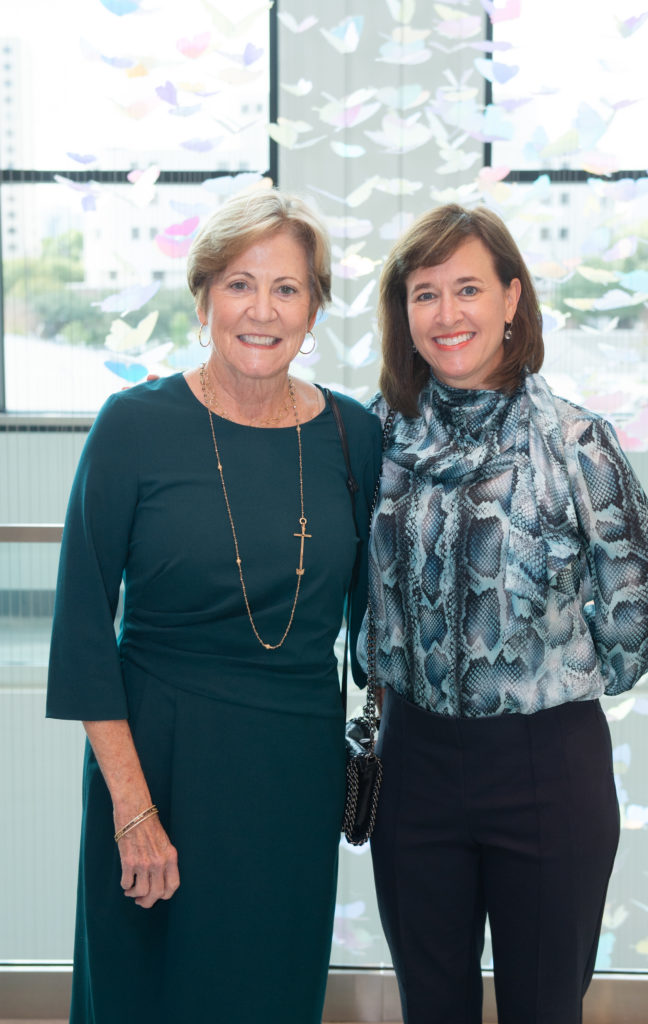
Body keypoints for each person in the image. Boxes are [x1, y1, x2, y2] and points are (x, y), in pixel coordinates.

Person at [46, 188, 382, 1024]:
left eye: (286, 288)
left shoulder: (354, 437)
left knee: (271, 996)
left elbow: (383, 620)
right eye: (239, 284)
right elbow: (83, 627)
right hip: (156, 773)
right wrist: (132, 809)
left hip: (293, 782)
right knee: (143, 997)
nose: (262, 310)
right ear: (203, 300)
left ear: (314, 311)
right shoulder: (133, 427)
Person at [361, 202, 648, 1024]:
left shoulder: (577, 442)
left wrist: (554, 669)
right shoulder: (374, 437)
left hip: (547, 766)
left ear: (511, 298)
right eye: (425, 293)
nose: (447, 313)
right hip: (411, 762)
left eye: (468, 288)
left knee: (544, 1007)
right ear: (404, 313)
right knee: (432, 1007)